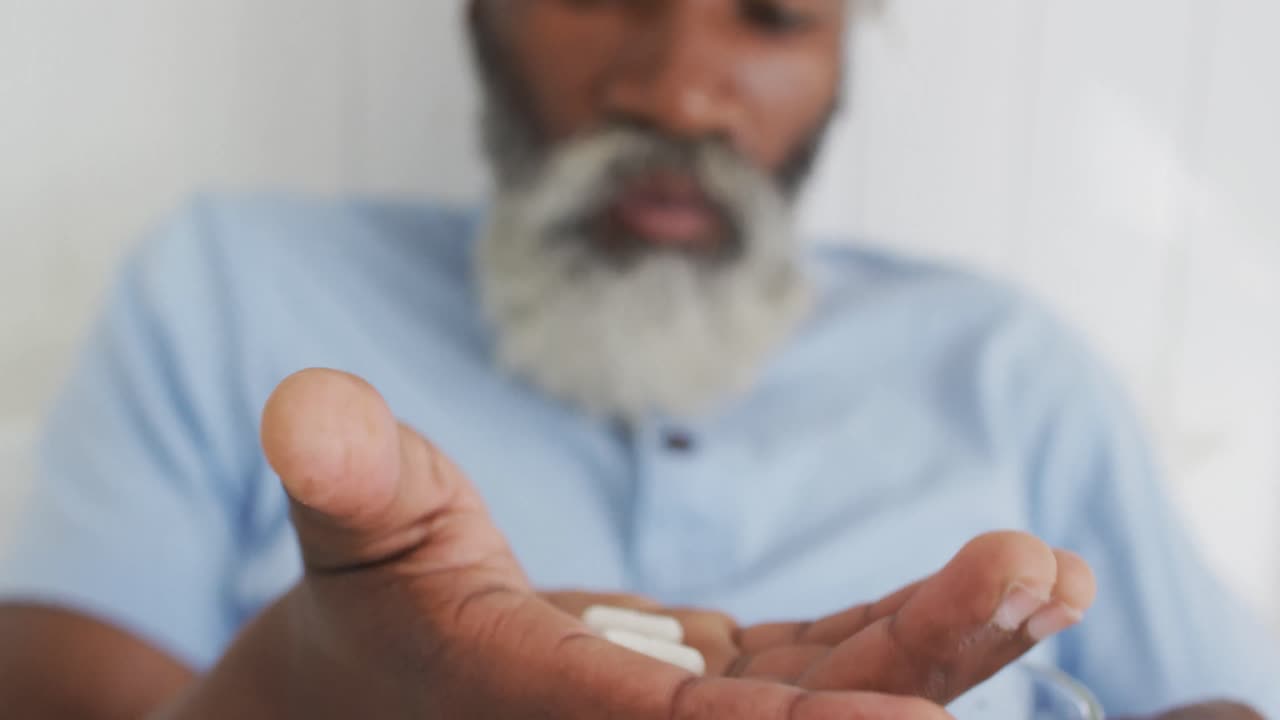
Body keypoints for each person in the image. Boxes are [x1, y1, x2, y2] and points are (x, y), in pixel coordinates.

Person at [0, 1, 1275, 718]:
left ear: (837, 61)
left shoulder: (1006, 362)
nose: (676, 93)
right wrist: (289, 690)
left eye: (770, 14)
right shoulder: (230, 286)